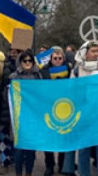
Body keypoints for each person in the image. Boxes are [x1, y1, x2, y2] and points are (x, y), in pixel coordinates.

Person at [64, 42, 98, 176]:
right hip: (83, 114)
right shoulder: (77, 69)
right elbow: (71, 90)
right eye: (93, 51)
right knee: (83, 148)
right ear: (86, 53)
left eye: (97, 51)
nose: (96, 54)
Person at [9, 52, 42, 176]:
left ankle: (29, 172)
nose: (27, 63)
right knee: (18, 149)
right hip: (19, 117)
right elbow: (7, 96)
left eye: (30, 61)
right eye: (25, 61)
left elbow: (42, 95)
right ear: (20, 62)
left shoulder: (38, 76)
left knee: (30, 150)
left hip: (33, 117)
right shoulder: (14, 76)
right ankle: (18, 173)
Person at [40, 47, 71, 176]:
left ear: (63, 58)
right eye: (55, 58)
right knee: (49, 138)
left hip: (65, 107)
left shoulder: (69, 69)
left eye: (60, 58)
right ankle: (49, 165)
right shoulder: (44, 70)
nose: (57, 61)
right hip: (49, 106)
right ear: (51, 59)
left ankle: (63, 164)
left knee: (64, 136)